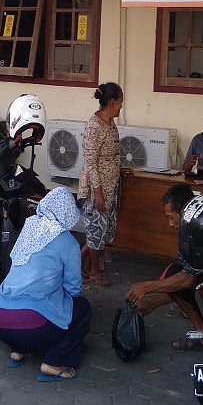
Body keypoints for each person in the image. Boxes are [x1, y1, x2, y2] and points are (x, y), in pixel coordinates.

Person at [0, 187, 91, 382]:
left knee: (27, 303)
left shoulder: (28, 229)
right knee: (82, 309)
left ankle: (18, 352)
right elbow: (73, 289)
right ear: (68, 212)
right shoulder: (67, 241)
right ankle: (55, 362)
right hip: (31, 324)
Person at [124, 183, 203, 350]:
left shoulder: (200, 232)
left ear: (184, 212)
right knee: (173, 274)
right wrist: (151, 304)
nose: (170, 224)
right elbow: (180, 283)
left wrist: (147, 287)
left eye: (171, 217)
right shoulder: (188, 231)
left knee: (174, 275)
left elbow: (188, 280)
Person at [78, 82, 124, 288]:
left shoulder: (110, 123)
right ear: (112, 102)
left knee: (104, 230)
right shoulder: (93, 127)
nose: (122, 107)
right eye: (120, 102)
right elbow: (91, 162)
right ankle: (95, 272)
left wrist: (119, 168)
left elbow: (109, 154)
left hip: (111, 185)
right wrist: (97, 193)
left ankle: (82, 263)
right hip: (97, 188)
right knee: (95, 230)